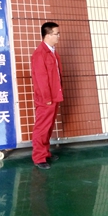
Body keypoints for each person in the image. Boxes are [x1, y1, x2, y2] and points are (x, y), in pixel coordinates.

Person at [31, 22, 63, 170]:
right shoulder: (40, 54)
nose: (58, 36)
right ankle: (39, 157)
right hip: (46, 98)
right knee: (42, 127)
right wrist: (47, 98)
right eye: (56, 33)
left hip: (54, 96)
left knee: (48, 126)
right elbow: (41, 79)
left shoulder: (52, 51)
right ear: (48, 35)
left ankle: (45, 152)